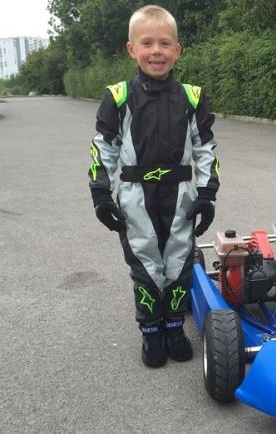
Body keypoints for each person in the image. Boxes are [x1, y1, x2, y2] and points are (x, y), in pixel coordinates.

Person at [87, 4, 219, 368]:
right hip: (134, 197)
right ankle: (151, 333)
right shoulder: (118, 96)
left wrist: (207, 195)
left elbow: (205, 148)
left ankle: (175, 327)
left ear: (177, 50)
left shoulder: (192, 97)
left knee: (178, 263)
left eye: (165, 43)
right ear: (132, 49)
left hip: (181, 196)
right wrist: (101, 194)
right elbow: (104, 147)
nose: (156, 51)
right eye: (147, 43)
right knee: (146, 264)